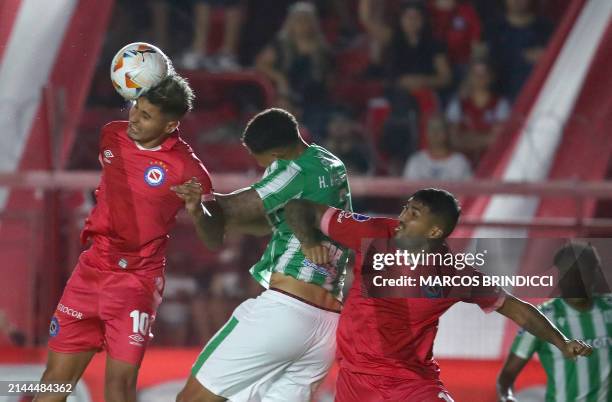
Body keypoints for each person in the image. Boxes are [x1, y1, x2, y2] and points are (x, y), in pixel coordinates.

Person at [283, 188, 593, 402]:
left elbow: (517, 309)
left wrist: (562, 343)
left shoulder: (453, 273)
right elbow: (297, 207)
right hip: (355, 382)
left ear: (434, 232)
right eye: (406, 207)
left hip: (410, 385)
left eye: (414, 213)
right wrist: (310, 241)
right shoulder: (374, 233)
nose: (402, 216)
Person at [35, 73, 218, 402]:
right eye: (135, 107)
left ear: (170, 125)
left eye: (146, 116)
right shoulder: (111, 136)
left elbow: (214, 235)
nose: (133, 118)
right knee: (54, 381)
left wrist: (196, 208)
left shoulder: (188, 170)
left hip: (136, 282)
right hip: (90, 271)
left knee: (118, 388)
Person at [172, 108, 352, 402]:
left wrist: (199, 198)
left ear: (279, 151)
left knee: (191, 400)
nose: (261, 165)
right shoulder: (330, 163)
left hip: (286, 313)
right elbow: (259, 223)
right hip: (327, 327)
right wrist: (213, 217)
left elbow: (232, 208)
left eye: (262, 158)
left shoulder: (290, 170)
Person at [497, 242, 612, 402]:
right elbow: (506, 377)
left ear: (594, 274)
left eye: (581, 273)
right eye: (568, 274)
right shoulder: (541, 319)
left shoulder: (609, 309)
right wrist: (507, 397)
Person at [254, 2, 333, 135]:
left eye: (306, 20)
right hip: (287, 97)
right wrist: (280, 79)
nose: (303, 25)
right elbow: (260, 63)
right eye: (298, 21)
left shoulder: (322, 49)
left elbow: (328, 80)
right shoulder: (281, 45)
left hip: (314, 102)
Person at [446, 59, 510, 167]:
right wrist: (486, 138)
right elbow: (454, 140)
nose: (480, 78)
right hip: (463, 165)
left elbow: (498, 140)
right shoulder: (457, 105)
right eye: (476, 74)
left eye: (483, 74)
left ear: (491, 77)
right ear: (469, 77)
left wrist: (467, 138)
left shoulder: (501, 104)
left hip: (492, 163)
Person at [487, 0, 553, 100]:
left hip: (538, 97)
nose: (516, 1)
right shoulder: (493, 27)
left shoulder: (545, 28)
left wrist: (546, 57)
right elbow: (483, 64)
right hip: (500, 98)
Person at [403, 115, 472, 180]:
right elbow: (407, 191)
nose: (435, 133)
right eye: (431, 129)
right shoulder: (415, 161)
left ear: (447, 132)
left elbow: (468, 191)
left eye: (439, 129)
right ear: (426, 133)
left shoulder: (460, 162)